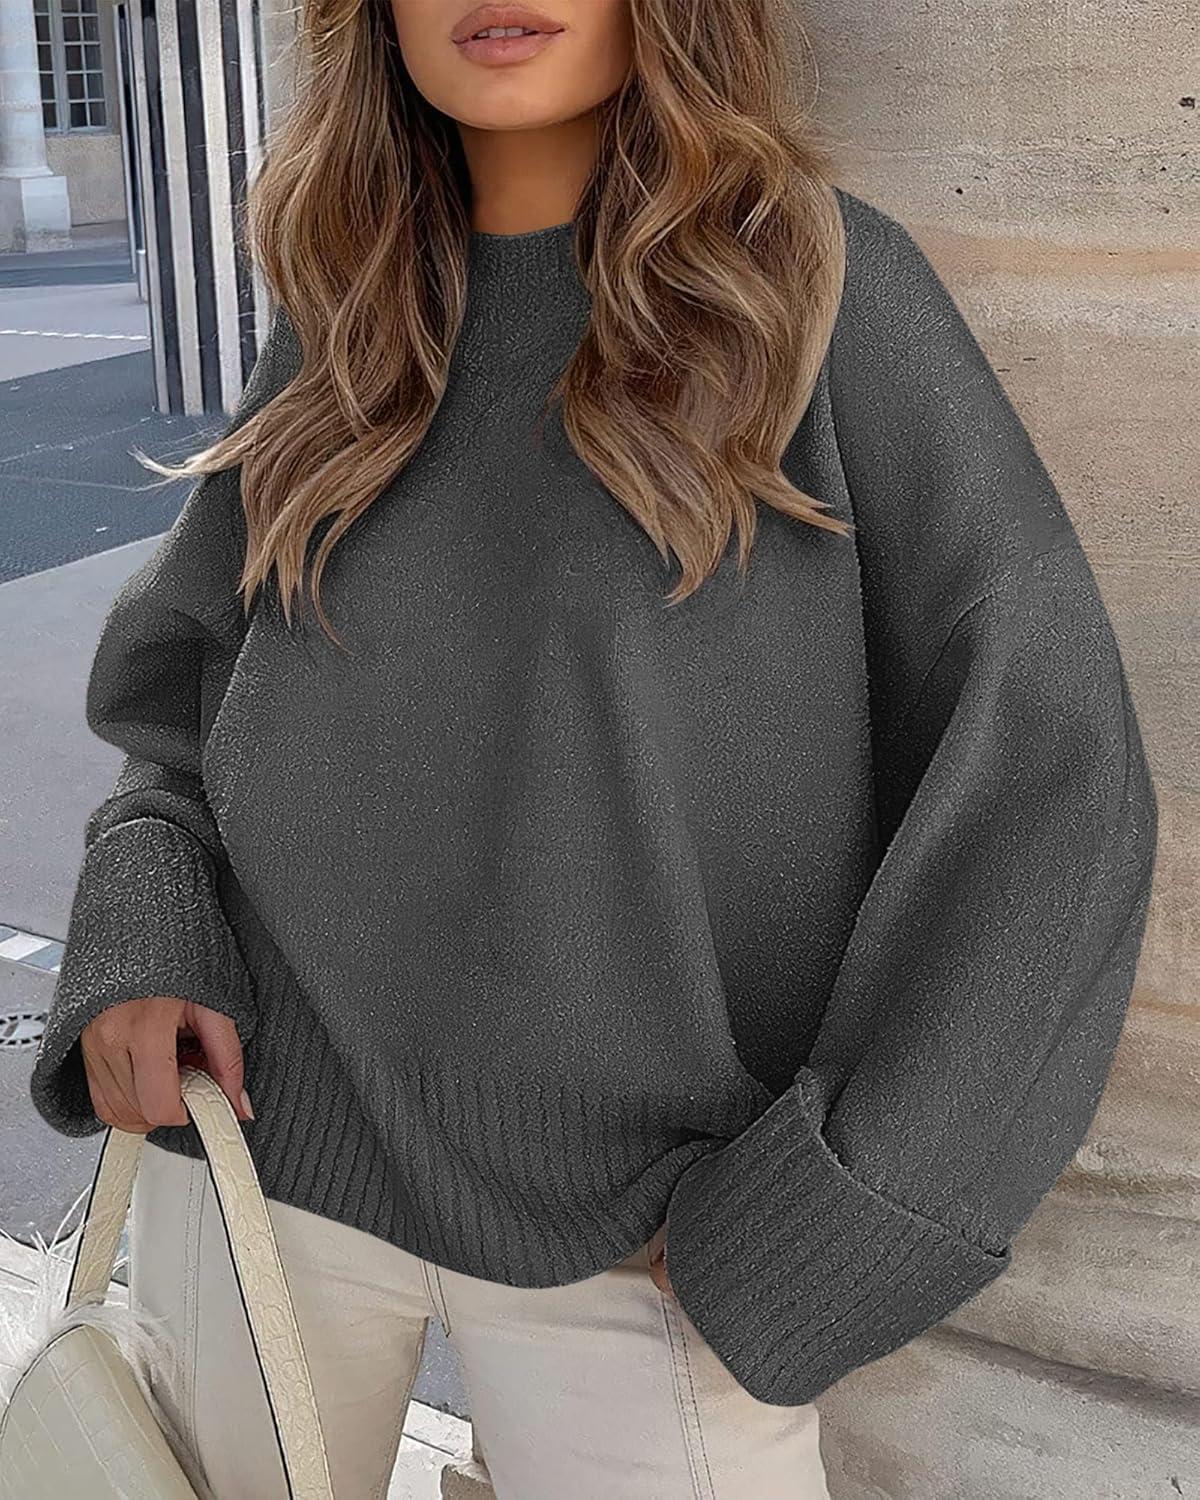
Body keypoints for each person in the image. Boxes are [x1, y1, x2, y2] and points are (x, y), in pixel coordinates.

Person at [28, 1, 1157, 1496]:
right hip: (260, 1153)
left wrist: (851, 1202)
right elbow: (191, 699)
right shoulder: (350, 302)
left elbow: (1054, 790)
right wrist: (147, 927)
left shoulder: (818, 294)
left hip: (650, 1233)